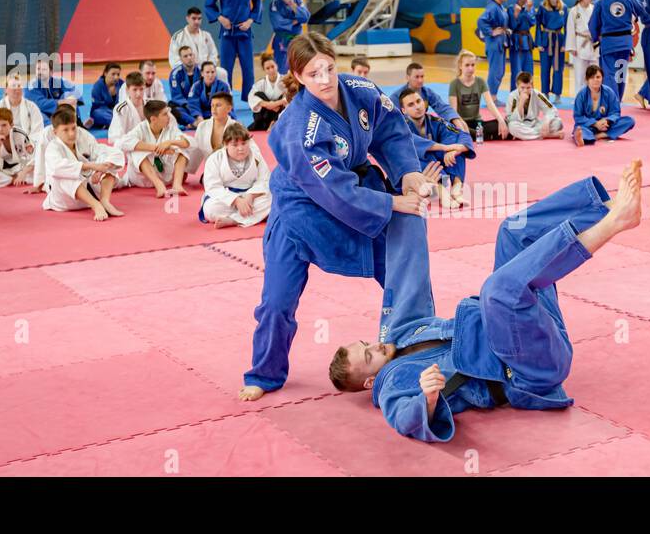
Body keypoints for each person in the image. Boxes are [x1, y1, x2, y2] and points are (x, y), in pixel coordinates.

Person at [331, 161, 644, 443]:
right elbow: (403, 420)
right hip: (527, 371)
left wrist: (407, 201)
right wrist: (426, 399)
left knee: (511, 233)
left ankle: (603, 207)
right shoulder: (392, 386)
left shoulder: (397, 332)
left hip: (534, 330)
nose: (374, 346)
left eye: (365, 344)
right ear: (370, 381)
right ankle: (615, 222)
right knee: (497, 290)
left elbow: (406, 272)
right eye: (369, 356)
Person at [239, 31, 443, 403]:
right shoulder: (299, 127)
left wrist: (407, 173)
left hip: (358, 192)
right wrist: (392, 204)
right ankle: (264, 373)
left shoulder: (359, 89)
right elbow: (333, 189)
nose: (324, 79)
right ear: (298, 77)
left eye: (329, 68)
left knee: (403, 271)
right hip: (301, 213)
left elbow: (391, 131)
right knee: (276, 301)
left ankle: (425, 349)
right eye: (314, 73)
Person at [41, 107, 125, 221]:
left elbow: (99, 150)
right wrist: (92, 166)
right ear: (55, 132)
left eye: (73, 128)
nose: (71, 133)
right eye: (65, 130)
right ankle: (96, 205)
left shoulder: (82, 134)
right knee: (64, 175)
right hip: (66, 200)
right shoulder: (53, 148)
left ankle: (105, 200)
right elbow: (57, 168)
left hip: (91, 188)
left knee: (113, 156)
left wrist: (101, 169)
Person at [400, 87, 476, 209]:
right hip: (415, 172)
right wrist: (445, 147)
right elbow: (412, 142)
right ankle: (443, 193)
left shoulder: (436, 120)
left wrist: (457, 149)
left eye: (419, 101)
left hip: (438, 171)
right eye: (411, 105)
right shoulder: (401, 126)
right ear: (403, 110)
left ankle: (456, 189)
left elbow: (461, 134)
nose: (417, 106)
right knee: (424, 153)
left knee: (456, 151)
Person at [205, 0, 262, 101]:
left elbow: (258, 4)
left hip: (244, 33)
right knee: (225, 71)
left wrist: (250, 20)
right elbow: (209, 5)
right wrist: (220, 18)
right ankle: (226, 99)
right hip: (227, 34)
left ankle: (250, 99)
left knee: (248, 70)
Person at [115, 100, 195, 197]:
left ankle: (177, 185)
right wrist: (156, 148)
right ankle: (159, 186)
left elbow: (187, 142)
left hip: (165, 176)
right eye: (165, 114)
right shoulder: (141, 128)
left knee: (181, 149)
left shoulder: (170, 127)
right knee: (136, 150)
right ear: (153, 119)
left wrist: (169, 142)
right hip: (141, 178)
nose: (169, 117)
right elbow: (121, 143)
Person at [200, 122, 271, 228]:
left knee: (273, 200)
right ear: (225, 144)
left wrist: (250, 196)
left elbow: (264, 180)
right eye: (235, 145)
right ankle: (252, 216)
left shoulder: (256, 156)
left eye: (244, 143)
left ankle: (233, 220)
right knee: (210, 209)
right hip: (226, 200)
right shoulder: (214, 159)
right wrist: (236, 200)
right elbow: (213, 187)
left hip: (250, 197)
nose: (240, 148)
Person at [449, 49, 508, 141]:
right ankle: (483, 136)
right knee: (452, 129)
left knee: (505, 123)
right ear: (460, 66)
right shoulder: (454, 84)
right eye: (467, 65)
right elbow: (453, 112)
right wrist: (462, 125)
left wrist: (500, 120)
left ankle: (478, 136)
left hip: (477, 123)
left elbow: (490, 104)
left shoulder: (480, 81)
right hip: (461, 123)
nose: (470, 68)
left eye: (473, 65)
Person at [573, 64, 635, 146]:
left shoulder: (609, 92)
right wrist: (595, 123)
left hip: (606, 125)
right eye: (592, 77)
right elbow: (578, 116)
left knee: (629, 121)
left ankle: (599, 136)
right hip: (589, 126)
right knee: (580, 129)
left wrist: (606, 120)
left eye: (598, 77)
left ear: (602, 78)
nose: (595, 80)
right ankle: (584, 138)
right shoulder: (581, 95)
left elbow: (615, 112)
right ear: (587, 80)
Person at [390, 62, 463, 129]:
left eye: (422, 76)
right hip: (406, 131)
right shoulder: (396, 97)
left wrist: (455, 119)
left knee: (454, 127)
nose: (420, 80)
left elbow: (442, 107)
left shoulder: (427, 92)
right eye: (417, 77)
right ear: (407, 77)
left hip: (424, 126)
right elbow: (391, 120)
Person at [169, 7, 227, 83]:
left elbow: (213, 54)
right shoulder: (178, 37)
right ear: (187, 19)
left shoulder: (206, 35)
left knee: (222, 73)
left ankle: (226, 94)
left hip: (205, 70)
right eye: (194, 18)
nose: (197, 21)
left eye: (199, 19)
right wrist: (190, 70)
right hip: (187, 71)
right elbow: (174, 59)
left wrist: (208, 68)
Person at [477, 0, 512, 102]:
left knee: (500, 71)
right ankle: (490, 98)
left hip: (500, 42)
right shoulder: (492, 7)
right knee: (495, 71)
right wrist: (491, 32)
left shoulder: (500, 6)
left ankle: (493, 96)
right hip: (494, 43)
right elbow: (481, 21)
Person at [506, 72, 564, 141]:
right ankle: (548, 135)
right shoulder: (513, 97)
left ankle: (528, 135)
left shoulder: (537, 94)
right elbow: (512, 119)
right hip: (520, 124)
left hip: (535, 124)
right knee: (512, 127)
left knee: (558, 122)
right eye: (522, 88)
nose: (525, 90)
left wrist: (546, 122)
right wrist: (521, 102)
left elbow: (551, 109)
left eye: (528, 88)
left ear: (532, 86)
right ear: (517, 86)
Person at [269, 0, 311, 74]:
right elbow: (278, 24)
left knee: (299, 68)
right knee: (281, 70)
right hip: (281, 40)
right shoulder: (274, 4)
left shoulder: (298, 2)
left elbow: (305, 18)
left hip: (297, 39)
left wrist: (293, 5)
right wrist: (296, 20)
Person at [0, 74, 45, 143]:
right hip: (4, 144)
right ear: (6, 89)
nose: (16, 89)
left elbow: (38, 130)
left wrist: (28, 144)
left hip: (28, 146)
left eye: (19, 86)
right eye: (13, 86)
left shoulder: (32, 107)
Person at [536, 0, 568, 104]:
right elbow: (538, 26)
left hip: (558, 40)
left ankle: (558, 94)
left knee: (558, 68)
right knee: (545, 68)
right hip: (545, 40)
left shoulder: (563, 8)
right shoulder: (542, 7)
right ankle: (545, 93)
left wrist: (565, 44)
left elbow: (567, 27)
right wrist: (538, 42)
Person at [565, 0, 599, 99]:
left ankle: (593, 97)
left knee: (595, 74)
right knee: (580, 75)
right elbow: (570, 29)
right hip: (580, 43)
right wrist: (571, 47)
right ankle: (579, 99)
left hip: (593, 44)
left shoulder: (594, 9)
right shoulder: (574, 11)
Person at [26, 58, 81, 123]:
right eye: (38, 69)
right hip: (40, 112)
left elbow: (75, 91)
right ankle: (53, 129)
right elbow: (40, 104)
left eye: (44, 69)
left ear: (51, 72)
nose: (40, 72)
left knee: (69, 96)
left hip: (56, 111)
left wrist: (71, 99)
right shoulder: (30, 86)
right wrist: (61, 102)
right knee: (40, 116)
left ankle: (75, 122)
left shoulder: (58, 81)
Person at [509, 0, 538, 95]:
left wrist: (527, 10)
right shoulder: (512, 8)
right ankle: (514, 95)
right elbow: (513, 25)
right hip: (517, 41)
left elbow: (532, 22)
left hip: (527, 40)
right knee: (517, 70)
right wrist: (518, 14)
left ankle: (529, 93)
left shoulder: (530, 7)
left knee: (529, 69)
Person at [247, 53, 288, 130]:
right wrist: (268, 105)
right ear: (264, 70)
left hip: (280, 112)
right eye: (268, 68)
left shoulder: (285, 80)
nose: (271, 70)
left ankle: (275, 122)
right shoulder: (261, 83)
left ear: (277, 65)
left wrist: (276, 104)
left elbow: (290, 98)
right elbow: (251, 97)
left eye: (273, 67)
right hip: (265, 114)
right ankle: (269, 124)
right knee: (258, 94)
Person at [195, 92, 243, 157]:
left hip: (233, 166)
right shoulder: (202, 126)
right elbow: (195, 153)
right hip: (210, 166)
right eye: (212, 105)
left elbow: (251, 150)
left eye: (218, 105)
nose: (214, 109)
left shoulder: (237, 127)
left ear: (229, 108)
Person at [168, 46, 203, 125]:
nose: (189, 58)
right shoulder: (175, 74)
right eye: (185, 56)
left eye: (191, 55)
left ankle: (193, 122)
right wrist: (190, 106)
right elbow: (177, 96)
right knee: (173, 110)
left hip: (199, 104)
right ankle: (195, 123)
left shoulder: (202, 71)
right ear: (181, 59)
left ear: (194, 55)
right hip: (184, 106)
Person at [87, 63, 122, 130]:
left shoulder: (121, 84)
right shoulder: (97, 86)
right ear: (105, 73)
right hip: (104, 112)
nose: (116, 77)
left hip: (118, 111)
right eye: (113, 74)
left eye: (118, 74)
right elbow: (97, 105)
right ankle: (118, 124)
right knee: (97, 114)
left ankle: (111, 124)